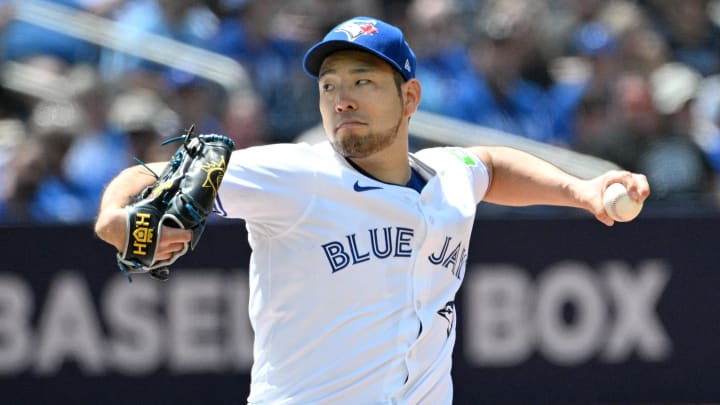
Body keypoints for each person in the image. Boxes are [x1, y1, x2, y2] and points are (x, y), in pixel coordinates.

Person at [94, 16, 650, 404]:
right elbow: (148, 178)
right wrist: (118, 216)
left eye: (363, 81)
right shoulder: (298, 176)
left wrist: (581, 191)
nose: (343, 99)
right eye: (330, 84)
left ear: (409, 98)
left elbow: (491, 165)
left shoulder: (448, 177)